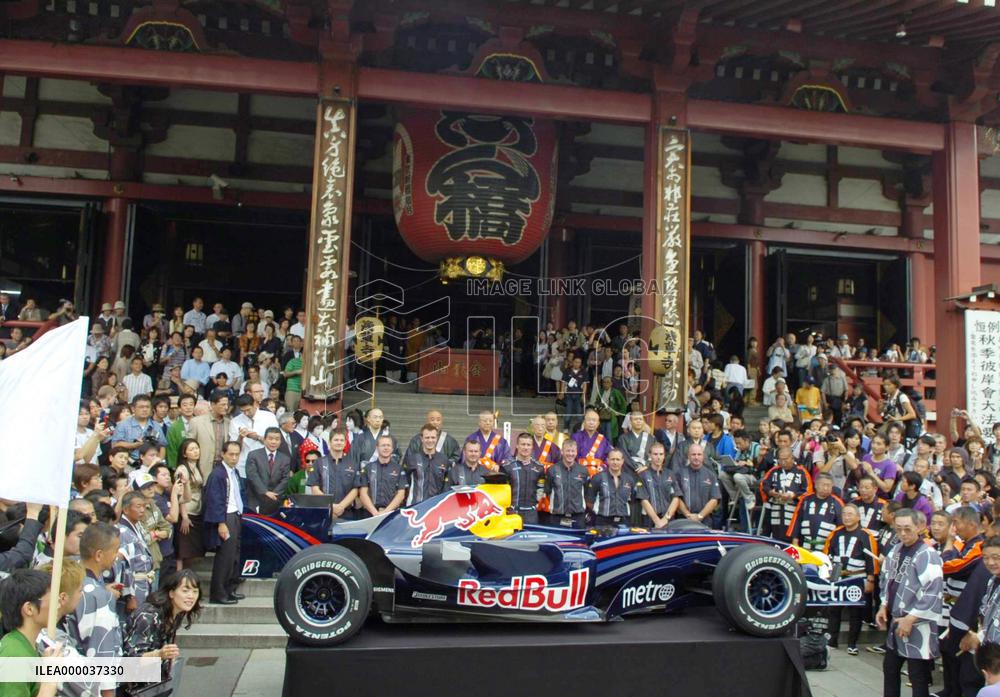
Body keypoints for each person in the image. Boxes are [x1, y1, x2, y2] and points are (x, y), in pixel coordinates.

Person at [877, 507, 944, 697]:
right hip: (896, 619)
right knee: (890, 668)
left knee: (917, 675)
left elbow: (933, 591)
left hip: (918, 622)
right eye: (898, 529)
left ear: (920, 527)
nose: (903, 533)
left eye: (907, 528)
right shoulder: (896, 549)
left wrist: (911, 618)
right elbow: (887, 580)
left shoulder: (928, 554)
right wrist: (883, 605)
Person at [66, 522, 123, 697]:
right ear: (99, 555)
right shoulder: (100, 597)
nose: (117, 556)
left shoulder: (69, 581)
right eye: (115, 551)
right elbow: (103, 654)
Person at [121, 569, 201, 696]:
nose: (191, 596)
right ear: (171, 593)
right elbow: (130, 661)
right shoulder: (147, 616)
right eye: (185, 591)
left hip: (153, 684)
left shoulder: (177, 614)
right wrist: (159, 654)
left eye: (195, 591)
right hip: (128, 685)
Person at [824, 503, 878, 655]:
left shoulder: (865, 535)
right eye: (844, 514)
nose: (846, 517)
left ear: (858, 517)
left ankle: (852, 643)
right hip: (838, 575)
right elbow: (827, 553)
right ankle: (831, 640)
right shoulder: (835, 533)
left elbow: (871, 558)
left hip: (857, 577)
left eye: (850, 514)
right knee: (834, 609)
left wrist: (871, 578)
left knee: (856, 612)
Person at [0, 568, 60, 697]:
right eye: (53, 600)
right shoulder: (14, 655)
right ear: (29, 609)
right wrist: (48, 683)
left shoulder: (25, 646)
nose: (58, 605)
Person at [203, 441, 246, 604]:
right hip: (225, 517)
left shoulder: (233, 472)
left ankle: (229, 589)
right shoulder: (218, 474)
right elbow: (215, 500)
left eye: (237, 454)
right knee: (225, 557)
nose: (234, 458)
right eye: (231, 454)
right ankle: (218, 593)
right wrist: (220, 523)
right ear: (223, 454)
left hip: (235, 514)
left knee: (234, 556)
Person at [760, 446, 814, 541]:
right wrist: (771, 492)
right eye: (781, 459)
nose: (783, 462)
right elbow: (764, 485)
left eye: (786, 459)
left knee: (792, 536)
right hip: (775, 508)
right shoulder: (773, 471)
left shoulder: (802, 472)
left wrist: (793, 495)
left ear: (792, 458)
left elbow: (808, 491)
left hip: (794, 510)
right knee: (775, 536)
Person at [307, 430, 359, 520]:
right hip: (323, 512)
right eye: (336, 440)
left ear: (345, 443)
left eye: (342, 440)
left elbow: (355, 489)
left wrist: (341, 507)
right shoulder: (319, 462)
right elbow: (314, 488)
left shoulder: (353, 464)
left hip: (346, 513)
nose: (339, 442)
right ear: (329, 442)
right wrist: (331, 506)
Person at [787, 472, 844, 551]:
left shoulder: (837, 503)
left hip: (826, 546)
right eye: (823, 485)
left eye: (829, 485)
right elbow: (797, 520)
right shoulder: (805, 499)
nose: (826, 488)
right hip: (805, 544)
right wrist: (795, 540)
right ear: (816, 485)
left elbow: (841, 526)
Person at [117, 491, 154, 609]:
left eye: (144, 506)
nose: (142, 510)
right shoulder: (121, 530)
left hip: (143, 582)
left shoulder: (136, 525)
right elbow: (124, 565)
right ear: (126, 509)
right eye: (138, 506)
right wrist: (129, 596)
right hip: (133, 586)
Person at [229, 393, 279, 478]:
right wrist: (240, 437)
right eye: (243, 411)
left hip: (264, 466)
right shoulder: (235, 421)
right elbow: (234, 447)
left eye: (248, 410)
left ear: (255, 404)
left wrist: (257, 437)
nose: (246, 413)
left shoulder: (269, 417)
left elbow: (275, 443)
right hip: (243, 467)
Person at [672, 443, 722, 527]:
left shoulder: (711, 475)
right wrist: (688, 515)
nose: (696, 457)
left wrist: (699, 516)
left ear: (703, 456)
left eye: (699, 454)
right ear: (688, 456)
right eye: (693, 454)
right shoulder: (680, 474)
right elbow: (677, 497)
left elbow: (714, 499)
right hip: (683, 520)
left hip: (705, 521)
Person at [586, 448, 639, 526]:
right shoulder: (598, 478)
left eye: (618, 459)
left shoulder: (629, 479)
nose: (615, 462)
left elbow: (633, 500)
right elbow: (589, 501)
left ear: (622, 461)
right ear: (607, 461)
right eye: (612, 459)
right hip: (602, 521)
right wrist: (599, 510)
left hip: (623, 521)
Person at [543, 439, 589, 528]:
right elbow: (547, 492)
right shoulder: (552, 470)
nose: (570, 454)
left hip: (578, 516)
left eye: (573, 451)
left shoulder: (583, 470)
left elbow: (586, 492)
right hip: (557, 517)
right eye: (567, 451)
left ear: (576, 452)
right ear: (562, 452)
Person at [174, 439, 205, 570]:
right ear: (184, 453)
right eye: (191, 449)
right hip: (186, 511)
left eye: (197, 448)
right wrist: (184, 517)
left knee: (193, 551)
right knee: (183, 551)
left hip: (197, 509)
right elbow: (179, 495)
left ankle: (187, 575)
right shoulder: (182, 469)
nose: (195, 451)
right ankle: (179, 577)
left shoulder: (196, 466)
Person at [501, 433, 545, 524]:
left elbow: (541, 490)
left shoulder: (539, 467)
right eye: (523, 444)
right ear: (517, 446)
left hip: (532, 514)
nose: (525, 447)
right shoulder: (507, 466)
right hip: (512, 513)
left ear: (532, 447)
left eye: (528, 445)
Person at [359, 435, 407, 517]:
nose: (386, 448)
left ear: (392, 448)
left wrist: (386, 512)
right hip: (370, 514)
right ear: (377, 447)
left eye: (388, 445)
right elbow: (363, 493)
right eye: (383, 445)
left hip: (391, 515)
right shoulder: (368, 468)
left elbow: (401, 494)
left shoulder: (399, 469)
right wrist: (375, 513)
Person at [245, 427, 290, 515]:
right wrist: (265, 492)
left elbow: (285, 479)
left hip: (275, 499)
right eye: (270, 439)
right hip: (256, 499)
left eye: (277, 439)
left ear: (280, 441)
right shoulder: (253, 455)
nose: (273, 442)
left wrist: (273, 494)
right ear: (264, 440)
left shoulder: (285, 459)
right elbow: (252, 476)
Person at [187, 390, 231, 478]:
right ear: (213, 405)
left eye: (227, 404)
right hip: (203, 468)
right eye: (222, 404)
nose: (226, 407)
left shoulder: (229, 423)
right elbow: (188, 446)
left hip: (224, 467)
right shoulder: (197, 422)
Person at [636, 442, 681, 528]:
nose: (658, 457)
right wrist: (657, 520)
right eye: (655, 454)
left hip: (668, 519)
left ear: (664, 456)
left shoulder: (670, 474)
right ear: (650, 455)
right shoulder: (643, 475)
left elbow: (676, 497)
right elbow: (643, 500)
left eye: (661, 454)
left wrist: (665, 519)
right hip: (649, 520)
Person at [573, 408, 611, 477]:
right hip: (579, 473)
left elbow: (609, 456)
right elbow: (570, 455)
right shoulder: (575, 437)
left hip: (598, 473)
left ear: (598, 423)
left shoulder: (603, 439)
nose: (591, 422)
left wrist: (603, 466)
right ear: (584, 422)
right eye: (589, 420)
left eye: (594, 420)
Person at [560, 355, 589, 432]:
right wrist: (562, 393)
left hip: (578, 395)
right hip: (569, 394)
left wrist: (583, 395)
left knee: (579, 415)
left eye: (579, 362)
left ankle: (580, 429)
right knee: (568, 413)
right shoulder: (567, 371)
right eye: (576, 362)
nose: (577, 364)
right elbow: (563, 382)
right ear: (572, 362)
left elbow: (585, 384)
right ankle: (566, 428)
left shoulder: (583, 372)